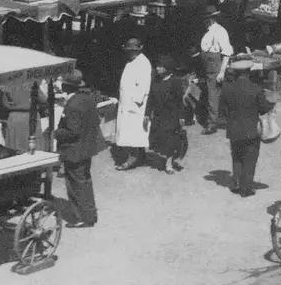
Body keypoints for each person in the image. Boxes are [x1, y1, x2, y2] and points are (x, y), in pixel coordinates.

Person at [54, 70, 105, 228]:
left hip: (75, 150)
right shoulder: (87, 99)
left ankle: (83, 217)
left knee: (76, 184)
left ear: (65, 86)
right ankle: (89, 214)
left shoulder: (73, 105)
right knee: (84, 181)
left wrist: (55, 133)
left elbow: (72, 132)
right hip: (86, 148)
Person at [221, 59, 274, 196]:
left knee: (237, 156)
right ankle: (246, 187)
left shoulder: (227, 88)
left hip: (233, 128)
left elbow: (222, 109)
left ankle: (237, 183)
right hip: (251, 129)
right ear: (250, 72)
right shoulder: (255, 88)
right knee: (250, 158)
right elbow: (264, 109)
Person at [113, 37, 151, 171]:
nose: (130, 52)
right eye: (129, 50)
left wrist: (135, 101)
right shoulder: (132, 61)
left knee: (134, 131)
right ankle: (141, 155)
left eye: (133, 50)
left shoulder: (143, 63)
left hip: (135, 104)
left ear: (139, 50)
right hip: (127, 101)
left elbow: (144, 86)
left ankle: (133, 158)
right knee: (132, 131)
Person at [147, 55, 188, 174]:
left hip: (172, 115)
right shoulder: (156, 80)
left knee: (170, 140)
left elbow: (180, 101)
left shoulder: (175, 81)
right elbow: (150, 98)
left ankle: (169, 164)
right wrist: (147, 113)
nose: (157, 68)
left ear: (167, 67)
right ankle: (165, 158)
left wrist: (181, 116)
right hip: (159, 115)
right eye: (157, 66)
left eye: (160, 66)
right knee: (159, 139)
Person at [198, 7, 231, 134]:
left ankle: (212, 124)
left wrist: (222, 71)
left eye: (206, 19)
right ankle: (219, 119)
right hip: (208, 63)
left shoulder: (220, 31)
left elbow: (227, 52)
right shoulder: (208, 31)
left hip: (215, 64)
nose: (204, 21)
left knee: (213, 95)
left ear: (211, 19)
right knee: (213, 94)